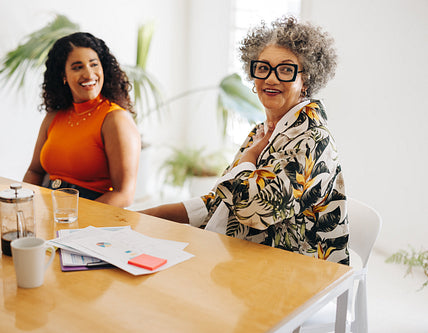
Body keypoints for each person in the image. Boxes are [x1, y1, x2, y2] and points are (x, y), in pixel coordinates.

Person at [141, 17, 349, 265]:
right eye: (263, 68)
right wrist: (140, 217)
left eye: (285, 69)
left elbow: (254, 211)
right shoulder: (263, 132)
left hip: (297, 271)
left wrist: (249, 158)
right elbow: (220, 199)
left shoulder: (313, 139)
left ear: (306, 80)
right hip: (246, 256)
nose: (271, 79)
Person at [23, 32, 140, 208]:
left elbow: (123, 194)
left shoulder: (115, 119)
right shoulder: (54, 116)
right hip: (46, 211)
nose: (89, 74)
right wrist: (23, 205)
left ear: (103, 69)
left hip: (91, 219)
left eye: (94, 65)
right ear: (63, 75)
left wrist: (74, 220)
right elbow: (35, 171)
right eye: (77, 67)